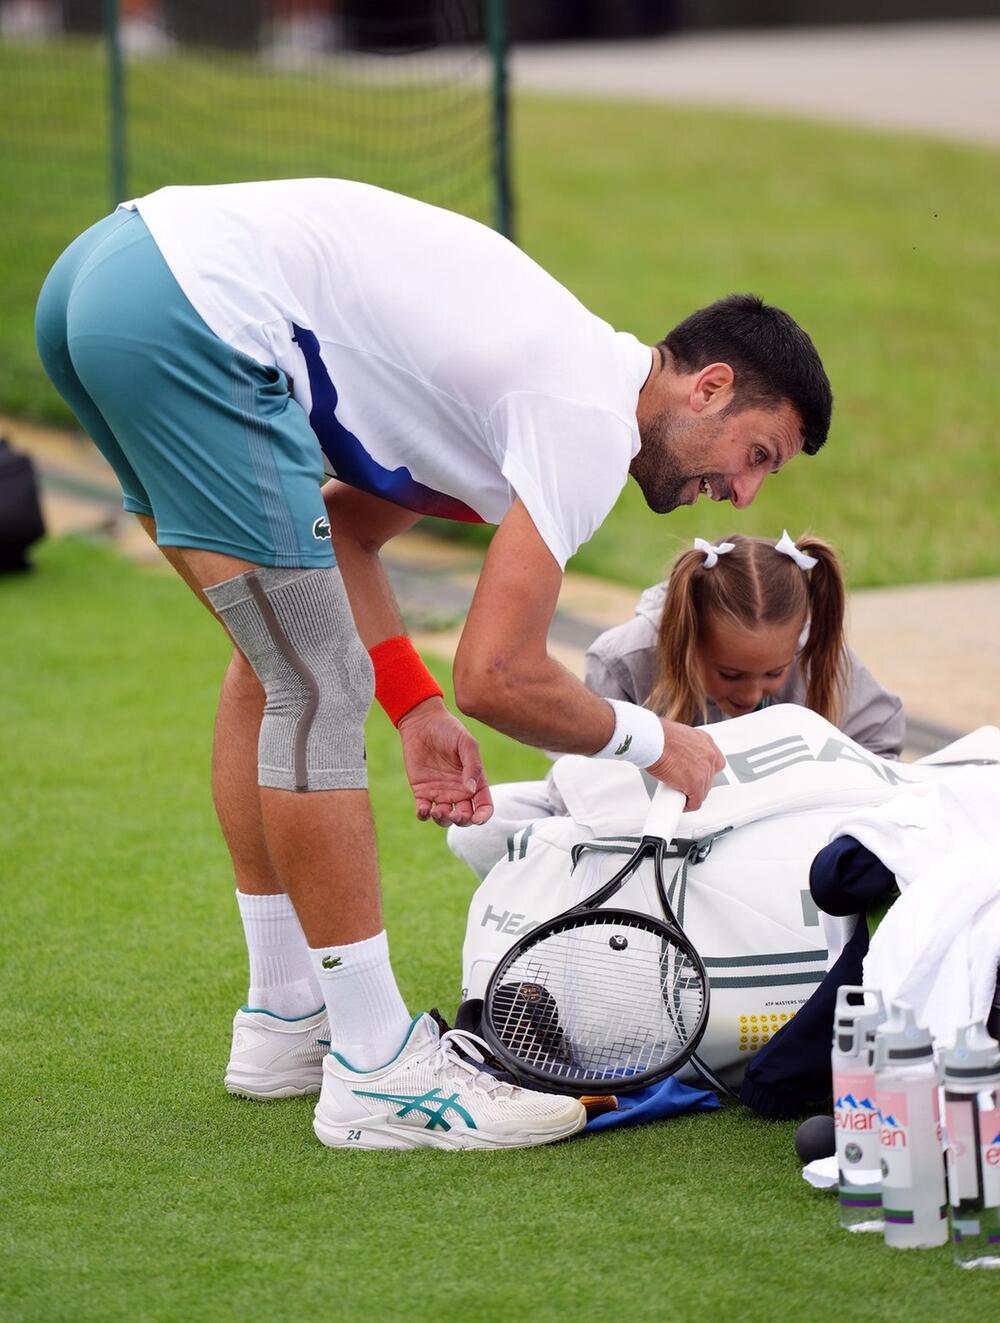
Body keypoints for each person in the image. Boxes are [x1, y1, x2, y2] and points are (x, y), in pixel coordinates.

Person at [34, 178, 832, 1151]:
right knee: (313, 677)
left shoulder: (546, 401)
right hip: (185, 301)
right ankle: (374, 1066)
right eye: (756, 453)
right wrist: (652, 740)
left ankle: (286, 1020)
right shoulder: (583, 420)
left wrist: (413, 710)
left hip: (102, 277)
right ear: (706, 386)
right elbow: (497, 674)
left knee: (276, 653)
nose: (743, 494)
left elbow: (347, 536)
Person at [448, 531, 904, 881]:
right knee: (483, 827)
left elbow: (881, 751)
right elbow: (579, 784)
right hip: (645, 837)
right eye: (729, 675)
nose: (750, 694)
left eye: (772, 673)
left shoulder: (816, 654)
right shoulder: (625, 657)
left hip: (775, 842)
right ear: (687, 641)